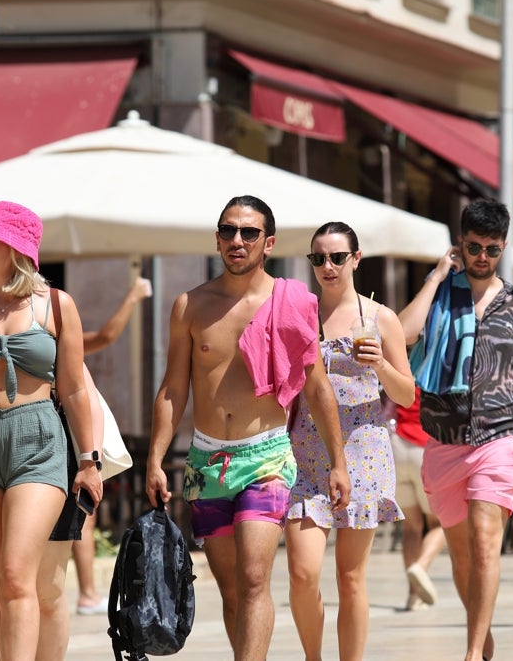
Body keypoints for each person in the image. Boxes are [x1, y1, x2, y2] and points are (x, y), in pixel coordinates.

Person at [145, 195, 350, 661]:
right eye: (228, 231)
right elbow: (173, 388)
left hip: (267, 457)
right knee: (232, 590)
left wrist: (339, 462)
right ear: (217, 238)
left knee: (256, 579)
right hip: (205, 461)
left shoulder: (293, 301)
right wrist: (155, 459)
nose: (237, 240)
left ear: (269, 242)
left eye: (249, 232)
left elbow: (317, 389)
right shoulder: (190, 305)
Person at [0, 201, 104, 660]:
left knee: (14, 577)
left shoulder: (57, 305)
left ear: (14, 246)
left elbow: (74, 390)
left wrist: (90, 462)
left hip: (38, 440)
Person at [398, 199, 513, 661]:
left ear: (503, 247)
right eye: (473, 247)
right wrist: (434, 276)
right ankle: (484, 646)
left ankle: (470, 655)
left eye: (491, 248)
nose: (482, 257)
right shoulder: (441, 293)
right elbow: (405, 334)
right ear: (459, 244)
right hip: (443, 443)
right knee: (463, 559)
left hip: (500, 437)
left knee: (487, 546)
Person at [284, 222, 413, 661]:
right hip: (305, 452)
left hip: (364, 451)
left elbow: (406, 394)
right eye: (318, 258)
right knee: (302, 574)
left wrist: (379, 365)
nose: (327, 266)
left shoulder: (380, 319)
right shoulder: (302, 314)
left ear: (356, 259)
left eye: (337, 257)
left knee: (351, 578)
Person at [74, 275, 152, 616]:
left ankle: (87, 593)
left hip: (65, 436)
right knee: (82, 518)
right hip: (70, 438)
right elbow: (106, 336)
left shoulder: (51, 337)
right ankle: (87, 593)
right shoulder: (56, 337)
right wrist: (133, 295)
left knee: (79, 517)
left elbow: (105, 337)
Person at [389, 385, 446, 611]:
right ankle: (420, 567)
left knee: (412, 527)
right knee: (439, 524)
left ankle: (413, 596)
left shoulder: (399, 367)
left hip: (396, 445)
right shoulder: (434, 366)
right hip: (423, 447)